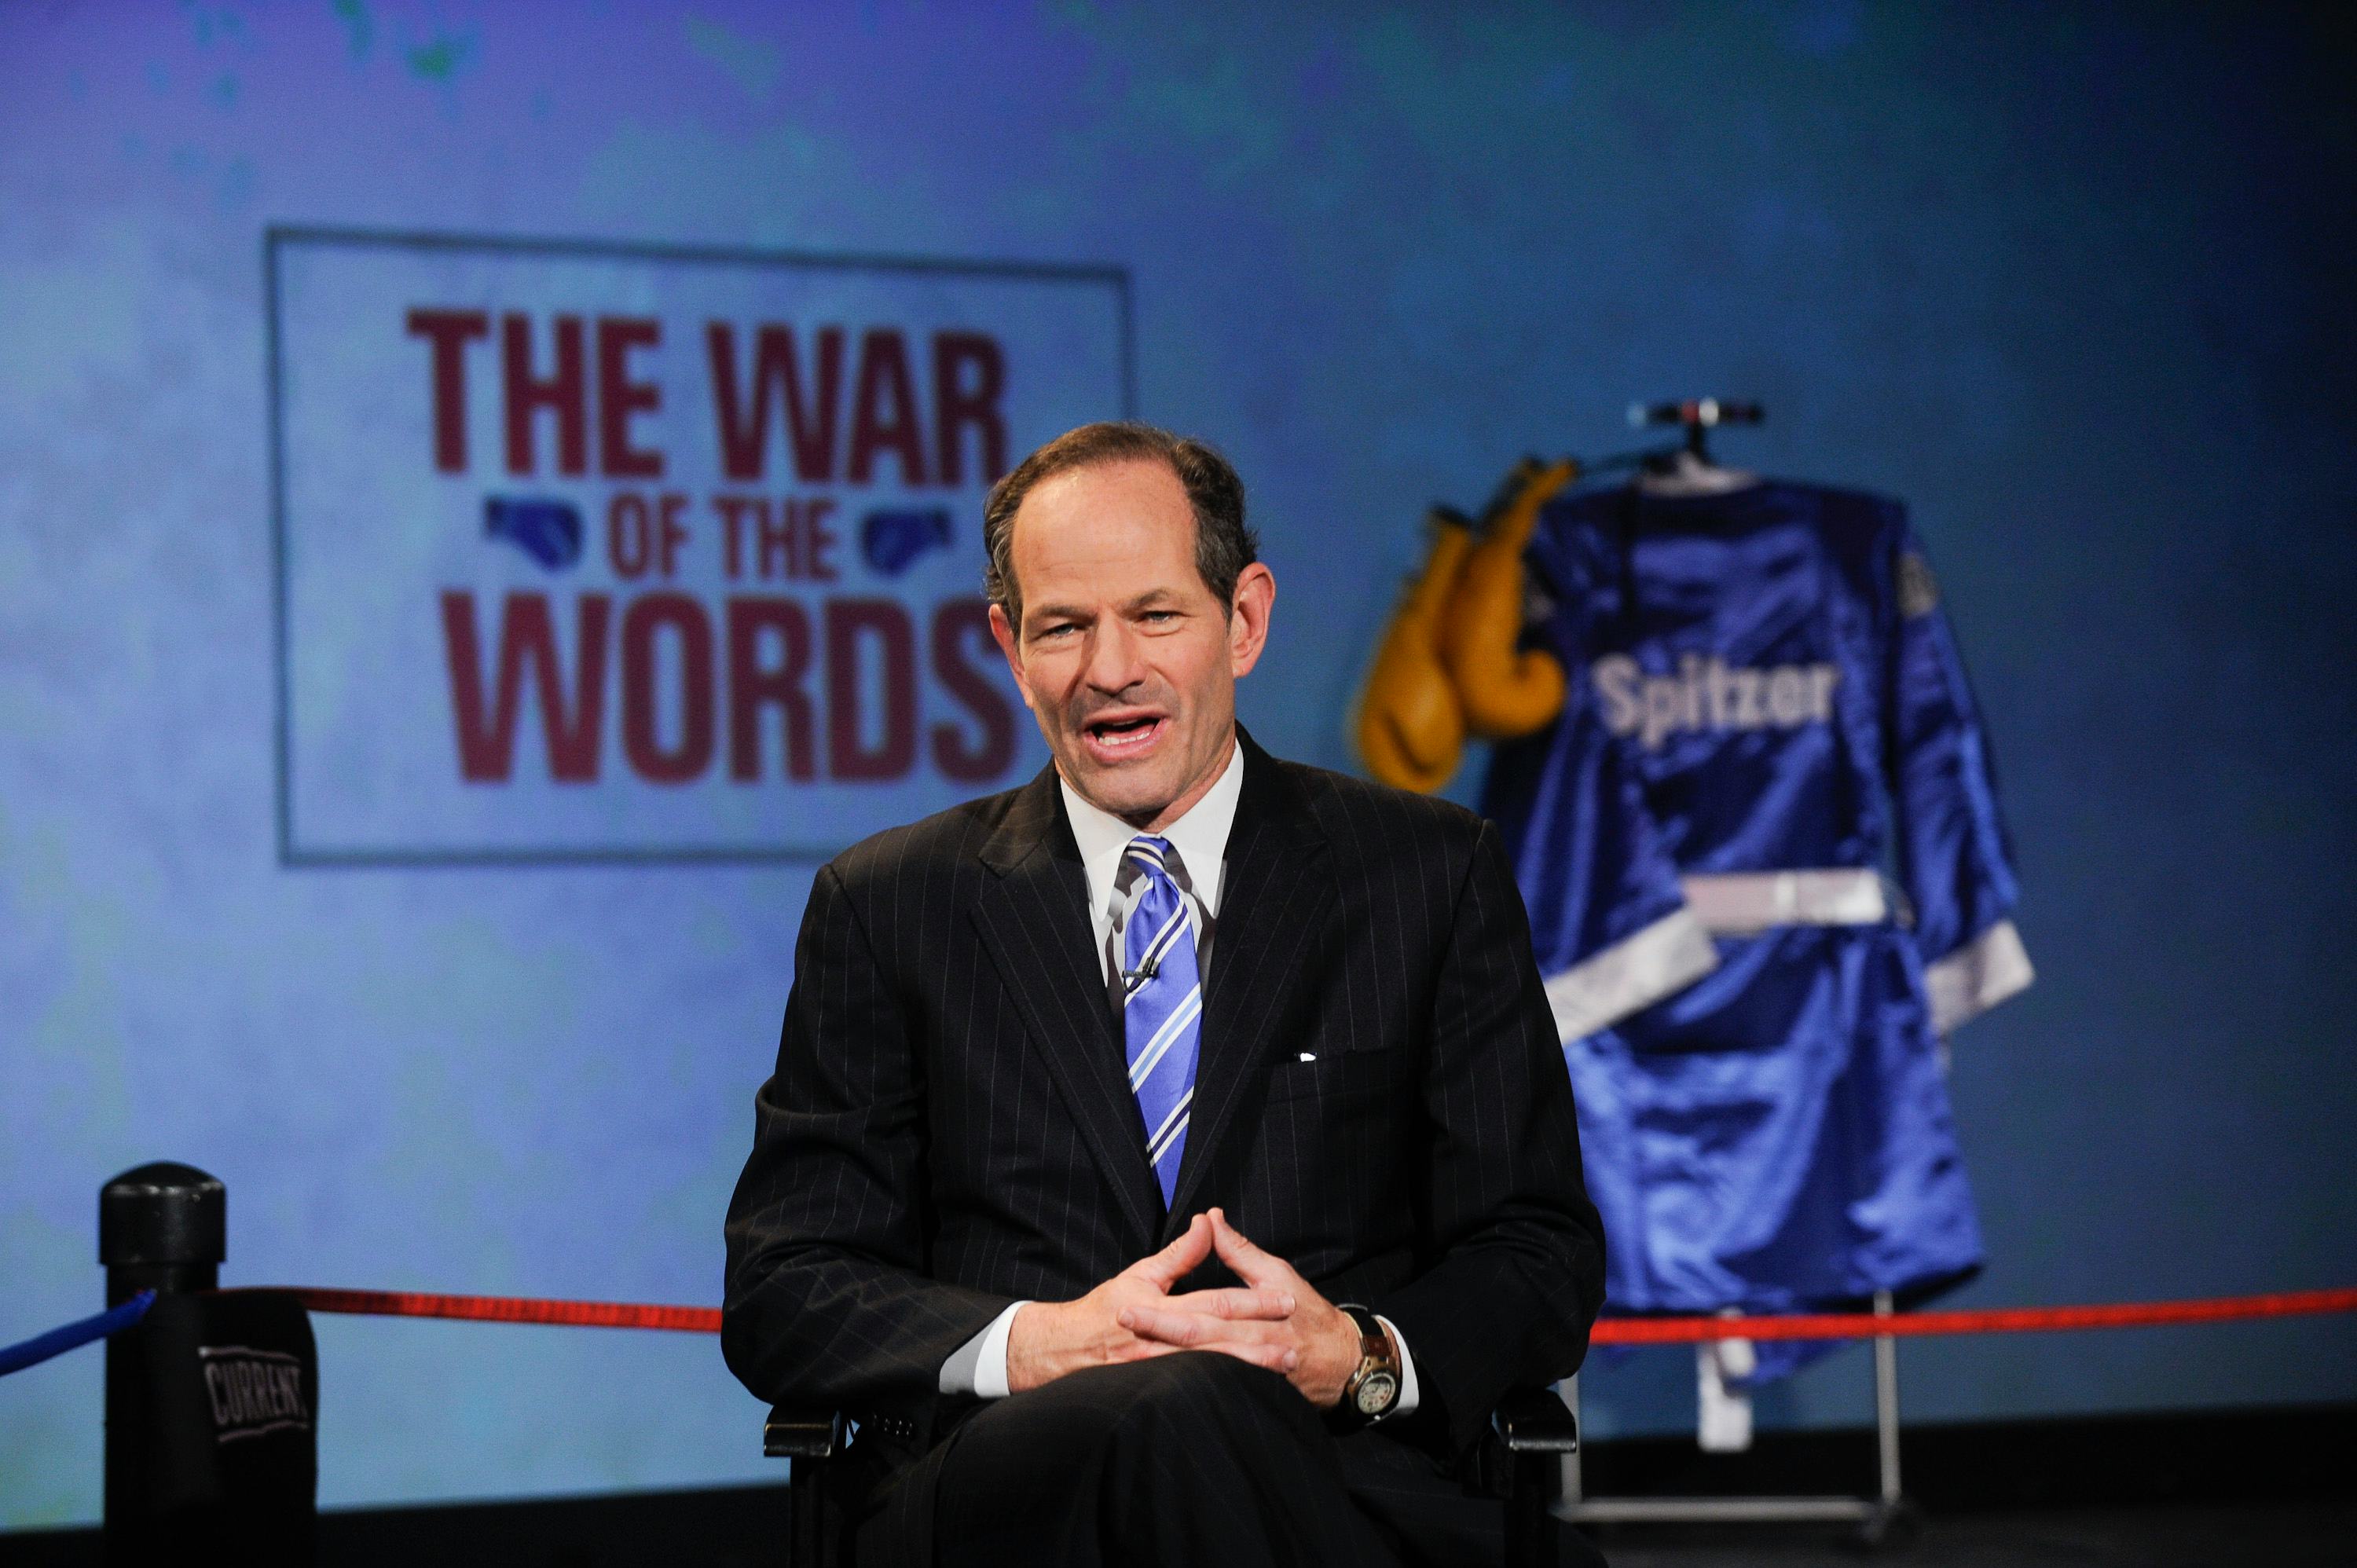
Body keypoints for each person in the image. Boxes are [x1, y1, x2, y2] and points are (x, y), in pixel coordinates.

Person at [724, 422, 1607, 1566]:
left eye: (1153, 615)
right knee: (1181, 1407)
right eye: (1063, 627)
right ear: (1009, 648)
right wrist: (1034, 1344)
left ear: (1244, 621)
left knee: (1204, 1425)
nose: (1110, 670)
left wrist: (1360, 1354)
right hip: (1009, 1495)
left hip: (1334, 1481)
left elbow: (1537, 1250)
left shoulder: (1426, 878)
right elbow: (785, 1286)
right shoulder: (891, 905)